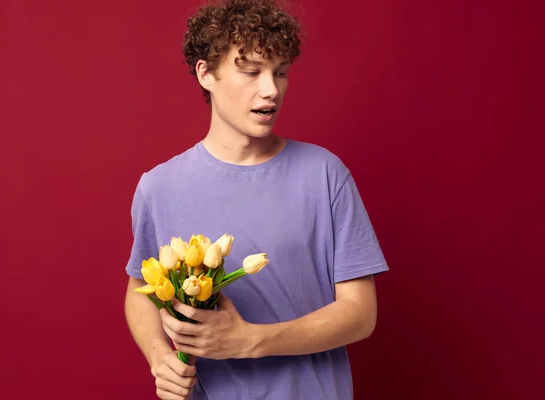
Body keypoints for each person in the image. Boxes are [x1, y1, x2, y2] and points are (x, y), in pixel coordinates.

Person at [123, 0, 389, 399]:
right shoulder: (158, 187)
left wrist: (249, 340)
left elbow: (360, 313)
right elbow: (140, 290)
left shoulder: (325, 174)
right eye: (250, 72)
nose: (271, 89)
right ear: (206, 73)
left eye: (280, 73)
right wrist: (159, 356)